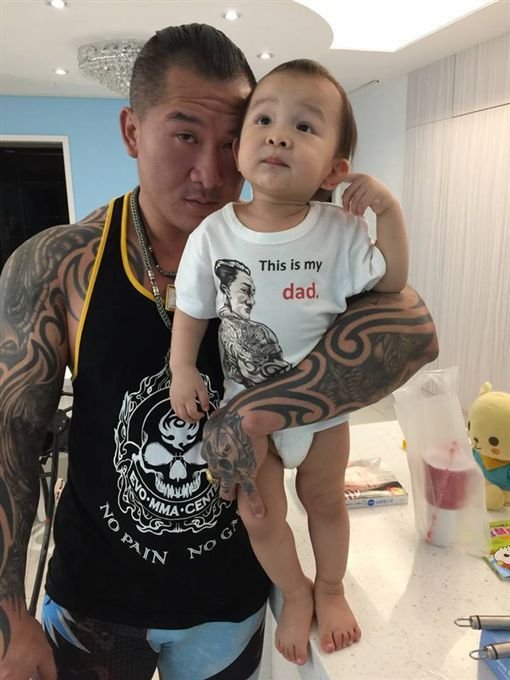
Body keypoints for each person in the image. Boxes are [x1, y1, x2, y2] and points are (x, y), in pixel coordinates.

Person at [0, 23, 438, 680]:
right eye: (184, 136)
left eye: (231, 141)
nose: (209, 172)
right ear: (131, 131)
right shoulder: (61, 265)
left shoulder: (301, 242)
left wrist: (254, 415)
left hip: (229, 601)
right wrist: (9, 616)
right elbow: (9, 439)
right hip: (96, 603)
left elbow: (413, 330)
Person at [169, 59, 408, 665]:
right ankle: (296, 591)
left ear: (334, 169)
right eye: (265, 121)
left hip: (322, 408)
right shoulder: (213, 235)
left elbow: (391, 282)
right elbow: (192, 311)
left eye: (304, 127)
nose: (278, 136)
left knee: (325, 501)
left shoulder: (342, 231)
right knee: (260, 515)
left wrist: (389, 212)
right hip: (247, 413)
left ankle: (331, 587)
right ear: (240, 147)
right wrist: (183, 369)